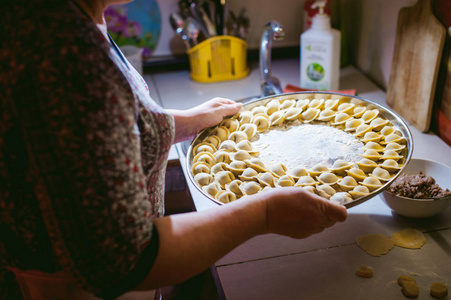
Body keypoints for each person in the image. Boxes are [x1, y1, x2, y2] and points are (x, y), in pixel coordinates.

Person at [0, 0, 348, 299]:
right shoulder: (62, 49)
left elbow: (95, 134)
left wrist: (180, 122)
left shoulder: (75, 17)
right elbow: (125, 258)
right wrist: (264, 214)